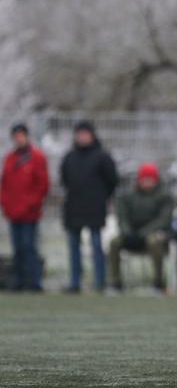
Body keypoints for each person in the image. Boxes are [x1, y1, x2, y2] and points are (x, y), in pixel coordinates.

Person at [60, 120, 119, 293]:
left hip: (95, 208)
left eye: (85, 134)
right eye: (79, 134)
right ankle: (75, 282)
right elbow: (64, 181)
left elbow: (113, 181)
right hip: (74, 209)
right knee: (73, 247)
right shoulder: (69, 157)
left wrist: (101, 197)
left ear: (92, 135)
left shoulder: (102, 157)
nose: (82, 137)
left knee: (96, 246)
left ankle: (99, 281)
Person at [108, 162, 174, 293]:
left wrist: (142, 233)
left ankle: (158, 283)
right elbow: (122, 217)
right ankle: (115, 282)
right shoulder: (127, 197)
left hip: (153, 234)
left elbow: (163, 220)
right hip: (131, 234)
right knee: (114, 242)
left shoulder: (165, 197)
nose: (147, 182)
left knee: (154, 241)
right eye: (144, 179)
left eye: (150, 179)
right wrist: (128, 233)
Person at [1, 123, 50, 291]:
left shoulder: (37, 157)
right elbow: (5, 184)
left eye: (21, 135)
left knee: (29, 247)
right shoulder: (9, 158)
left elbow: (42, 186)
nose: (18, 139)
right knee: (17, 248)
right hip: (13, 212)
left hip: (30, 213)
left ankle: (34, 282)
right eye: (16, 136)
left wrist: (29, 205)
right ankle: (19, 281)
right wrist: (6, 204)